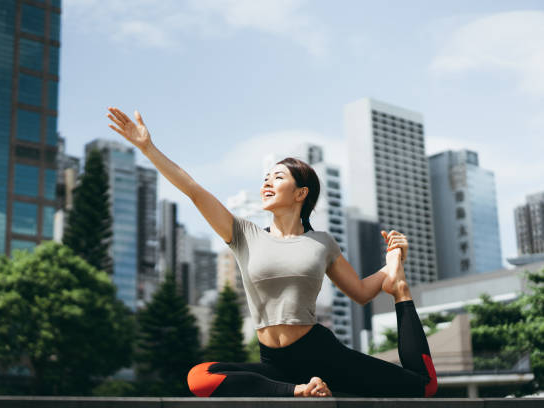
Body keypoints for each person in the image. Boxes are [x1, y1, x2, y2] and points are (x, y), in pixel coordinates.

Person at [106, 107, 438, 398]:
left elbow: (362, 294)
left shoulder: (322, 242)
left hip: (323, 355)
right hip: (274, 362)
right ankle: (299, 390)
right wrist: (148, 148)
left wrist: (391, 269)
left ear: (300, 193)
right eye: (265, 177)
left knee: (423, 386)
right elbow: (194, 191)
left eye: (277, 177)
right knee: (199, 378)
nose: (266, 183)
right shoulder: (243, 234)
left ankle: (401, 290)